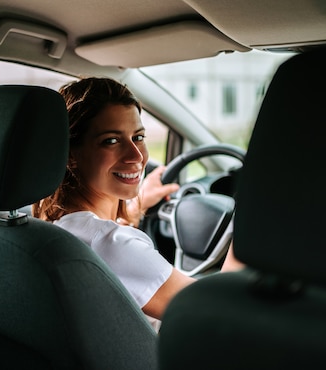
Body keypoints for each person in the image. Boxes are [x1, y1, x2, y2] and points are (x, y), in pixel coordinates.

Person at [33, 77, 243, 328]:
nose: (136, 155)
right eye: (111, 140)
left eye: (139, 136)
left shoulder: (53, 226)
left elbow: (103, 236)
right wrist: (250, 218)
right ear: (71, 155)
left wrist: (139, 204)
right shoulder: (115, 246)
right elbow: (226, 310)